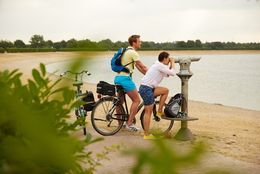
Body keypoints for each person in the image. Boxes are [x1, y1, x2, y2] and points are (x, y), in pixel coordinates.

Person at [114, 35, 148, 131]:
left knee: (119, 102)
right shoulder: (133, 52)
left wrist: (146, 75)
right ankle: (129, 123)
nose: (140, 43)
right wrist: (152, 74)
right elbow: (143, 66)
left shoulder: (126, 51)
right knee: (136, 100)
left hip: (118, 78)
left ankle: (120, 125)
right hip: (125, 79)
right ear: (134, 42)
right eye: (139, 41)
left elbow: (138, 67)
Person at [139, 51, 176, 139]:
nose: (169, 60)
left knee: (165, 91)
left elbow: (168, 74)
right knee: (148, 112)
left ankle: (159, 111)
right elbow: (173, 73)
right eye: (168, 59)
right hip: (146, 89)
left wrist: (170, 64)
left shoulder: (158, 65)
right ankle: (146, 135)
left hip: (148, 88)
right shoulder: (159, 66)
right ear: (164, 59)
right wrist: (173, 62)